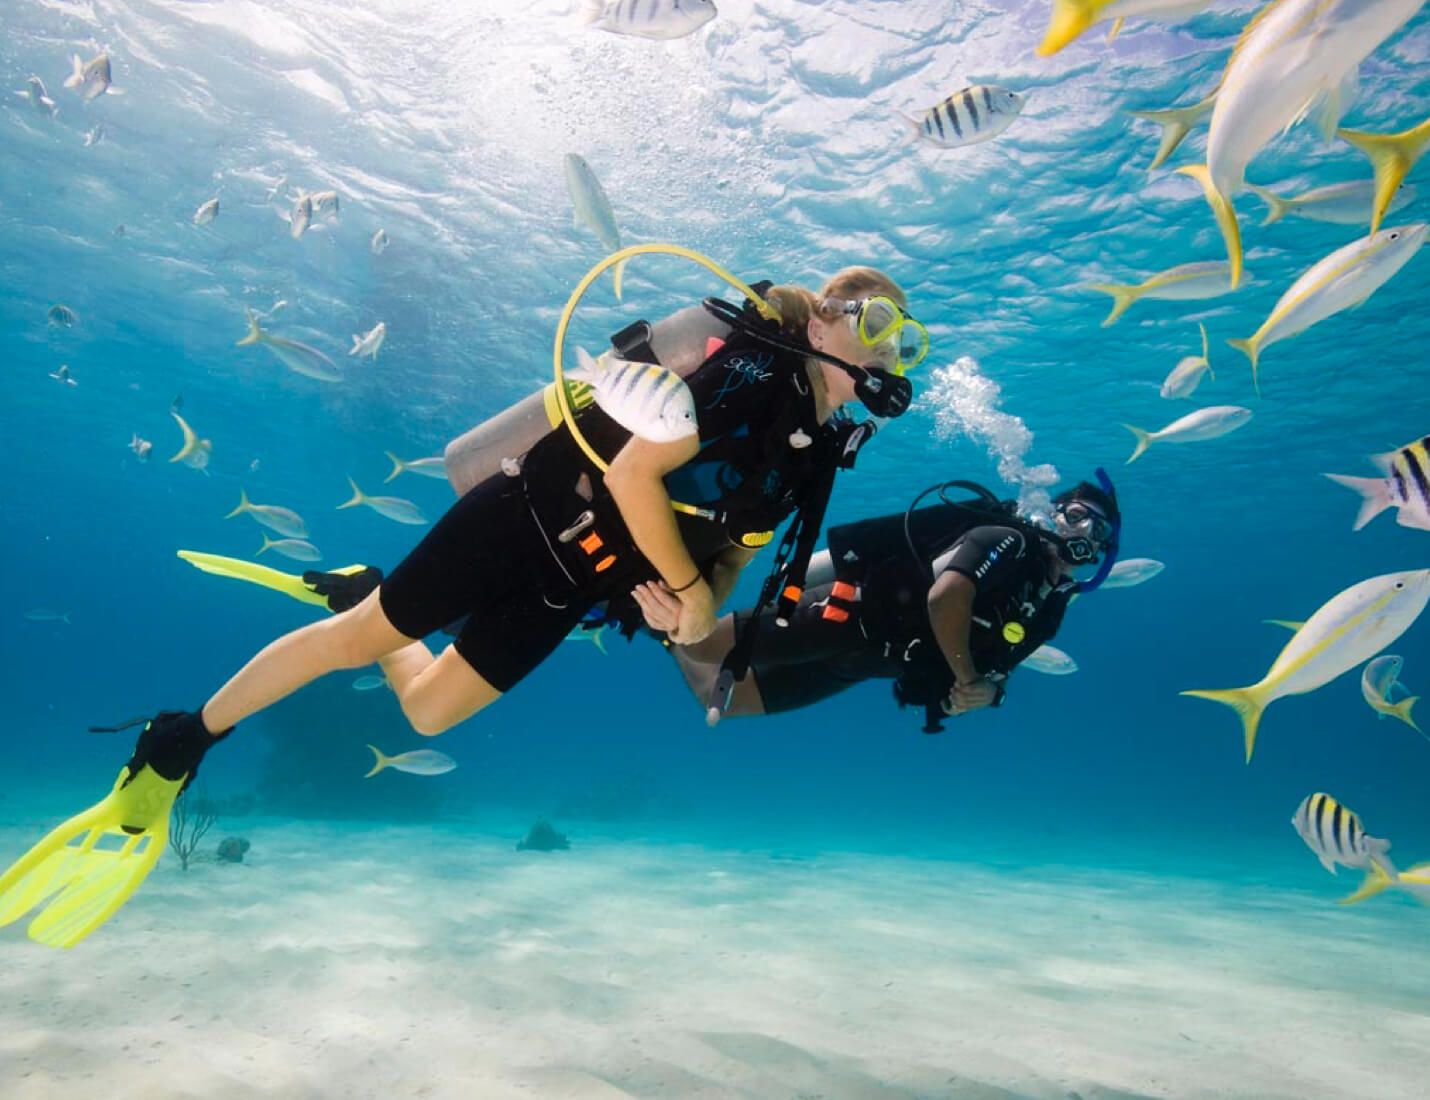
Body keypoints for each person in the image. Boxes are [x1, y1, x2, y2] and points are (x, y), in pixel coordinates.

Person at [0, 261, 929, 947]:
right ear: (826, 319)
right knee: (356, 641)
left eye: (905, 339)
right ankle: (178, 745)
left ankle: (366, 582)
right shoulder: (750, 372)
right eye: (878, 320)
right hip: (523, 518)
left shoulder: (813, 458)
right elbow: (639, 472)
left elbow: (732, 558)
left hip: (575, 590)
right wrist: (687, 589)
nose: (888, 346)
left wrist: (689, 615)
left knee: (430, 711)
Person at [665, 476, 1121, 733]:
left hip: (870, 663)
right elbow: (947, 597)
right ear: (1053, 515)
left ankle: (664, 630)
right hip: (848, 616)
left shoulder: (1049, 606)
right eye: (1077, 517)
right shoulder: (1008, 539)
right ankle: (663, 608)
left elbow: (1001, 668)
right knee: (704, 648)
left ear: (1103, 553)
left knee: (728, 701)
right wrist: (967, 677)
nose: (1083, 533)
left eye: (1097, 532)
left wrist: (986, 693)